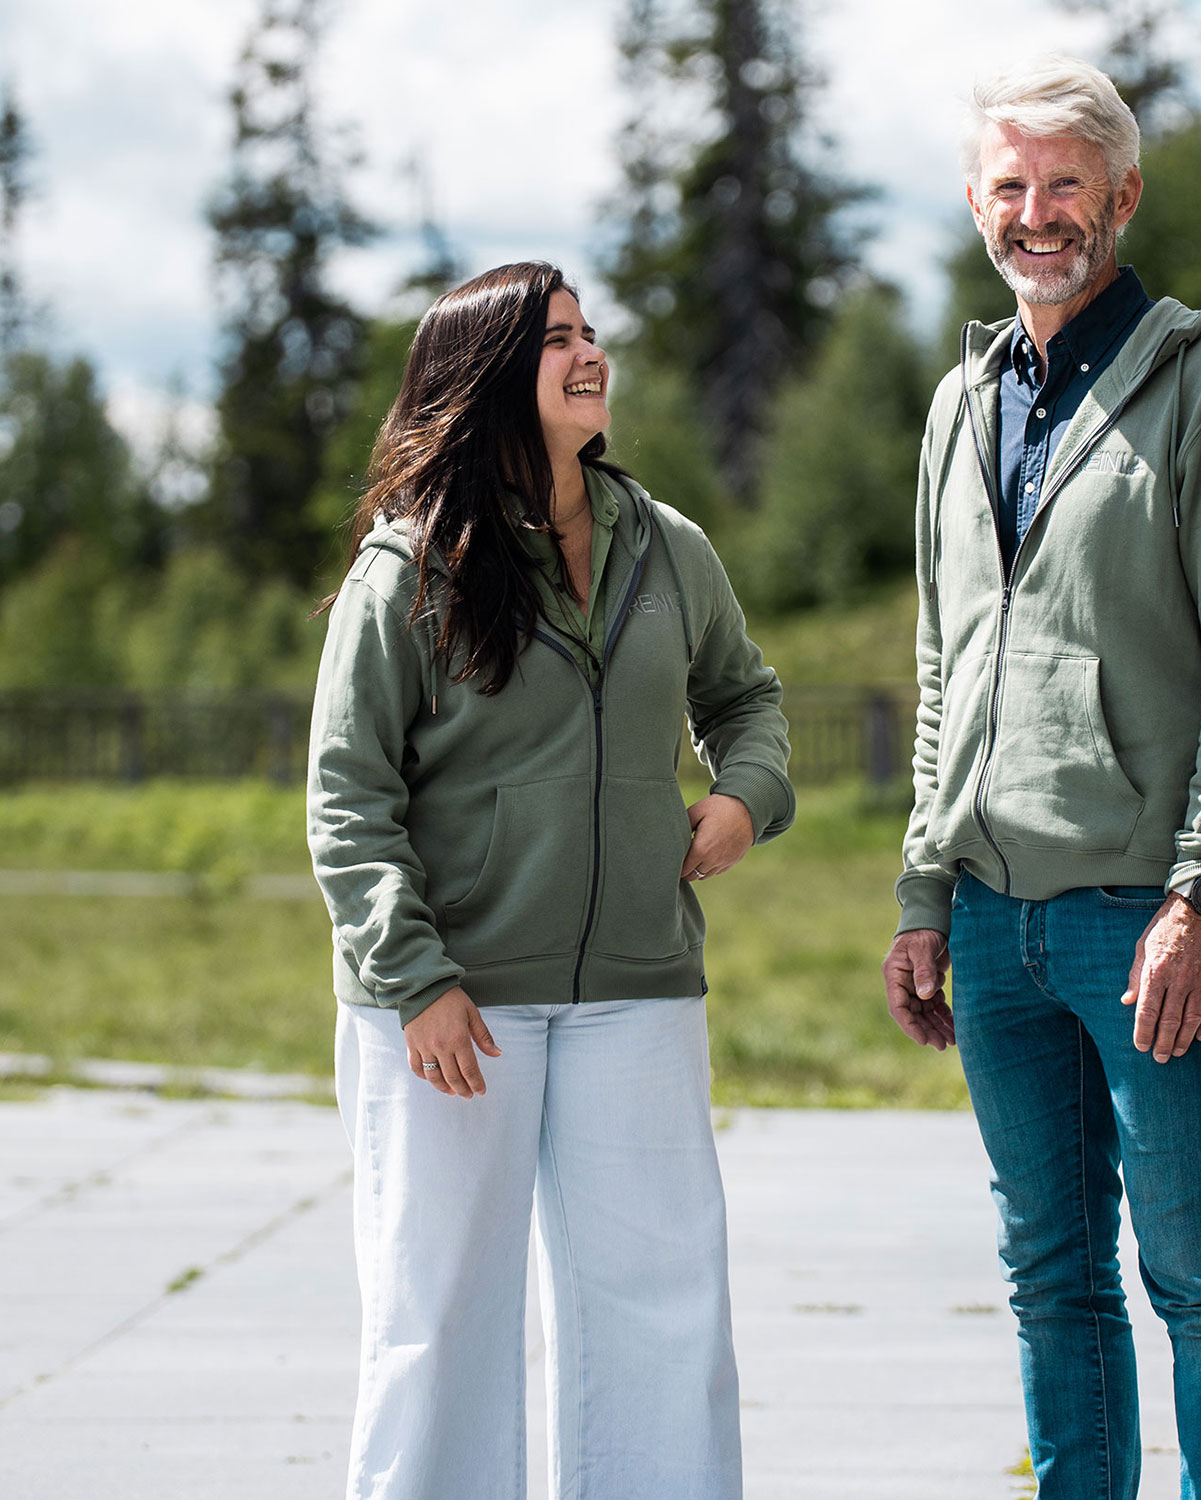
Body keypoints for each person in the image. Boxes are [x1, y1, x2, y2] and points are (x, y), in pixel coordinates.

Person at [881, 56, 1201, 1500]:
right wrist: (923, 889)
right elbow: (947, 669)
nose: (1036, 212)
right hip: (995, 924)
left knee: (1200, 1271)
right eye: (1009, 185)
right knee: (1051, 1279)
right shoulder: (965, 405)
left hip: (1147, 914)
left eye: (1065, 183)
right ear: (974, 205)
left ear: (1121, 196)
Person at [307, 261, 793, 1500]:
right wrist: (415, 982)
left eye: (591, 334)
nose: (591, 357)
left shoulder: (666, 546)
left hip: (637, 985)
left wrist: (746, 795)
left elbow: (747, 700)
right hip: (449, 1009)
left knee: (666, 1311)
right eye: (555, 339)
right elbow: (347, 802)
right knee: (441, 1322)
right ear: (482, 378)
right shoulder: (405, 569)